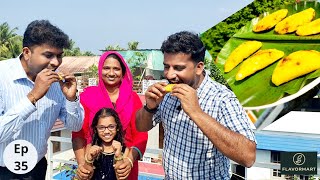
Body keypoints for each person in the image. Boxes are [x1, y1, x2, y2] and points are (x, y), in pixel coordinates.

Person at [135, 31, 257, 179]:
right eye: (166, 66)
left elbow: (248, 156)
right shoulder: (166, 93)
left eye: (179, 68)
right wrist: (149, 107)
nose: (169, 75)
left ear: (199, 67)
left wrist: (196, 112)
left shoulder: (222, 98)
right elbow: (141, 127)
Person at [0, 20, 84, 179]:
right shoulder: (2, 76)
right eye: (48, 55)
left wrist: (71, 99)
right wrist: (33, 96)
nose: (56, 62)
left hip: (37, 168)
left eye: (59, 56)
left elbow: (75, 125)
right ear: (26, 52)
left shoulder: (57, 83)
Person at [72, 51, 148, 180]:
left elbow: (140, 134)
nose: (111, 73)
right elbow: (78, 134)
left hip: (123, 167)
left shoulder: (132, 98)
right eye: (106, 68)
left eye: (116, 69)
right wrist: (82, 165)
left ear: (123, 72)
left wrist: (129, 161)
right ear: (100, 69)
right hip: (93, 165)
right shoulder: (87, 97)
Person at [83, 108, 127, 180]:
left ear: (117, 127)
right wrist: (89, 158)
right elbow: (86, 176)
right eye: (101, 128)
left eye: (111, 127)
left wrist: (118, 155)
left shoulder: (123, 148)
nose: (106, 131)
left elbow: (121, 177)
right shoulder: (91, 147)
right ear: (95, 129)